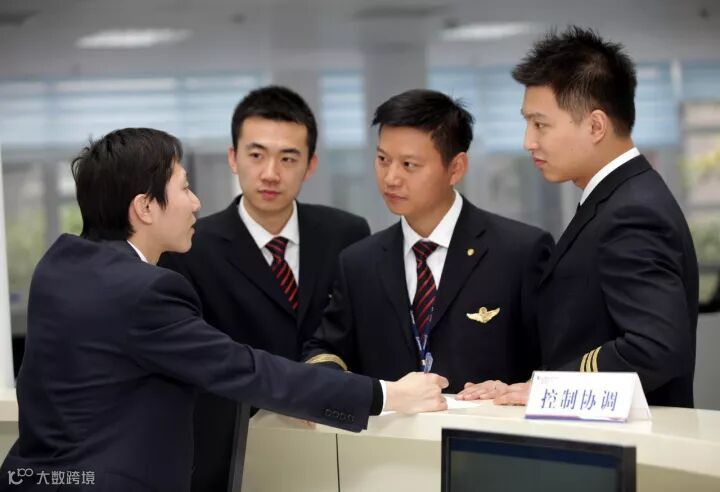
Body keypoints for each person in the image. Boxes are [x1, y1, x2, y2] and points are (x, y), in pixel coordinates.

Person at [0, 128, 448, 492]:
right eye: (184, 187)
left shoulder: (59, 267)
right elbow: (244, 369)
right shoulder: (143, 290)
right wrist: (387, 395)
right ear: (145, 207)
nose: (196, 202)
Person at [458, 26, 698, 408]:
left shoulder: (632, 212)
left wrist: (548, 388)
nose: (528, 141)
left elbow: (655, 348)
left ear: (596, 126)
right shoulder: (617, 197)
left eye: (540, 124)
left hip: (627, 436)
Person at [159, 86, 370, 491]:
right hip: (231, 450)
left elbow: (356, 335)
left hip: (335, 445)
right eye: (256, 155)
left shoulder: (347, 234)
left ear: (310, 165)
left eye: (288, 158)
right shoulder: (189, 248)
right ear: (233, 157)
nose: (271, 173)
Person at [302, 89, 553, 393]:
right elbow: (326, 348)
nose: (391, 178)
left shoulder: (519, 251)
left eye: (409, 165)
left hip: (486, 421)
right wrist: (335, 385)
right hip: (391, 423)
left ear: (456, 168)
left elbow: (555, 358)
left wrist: (523, 389)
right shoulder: (359, 263)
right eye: (383, 159)